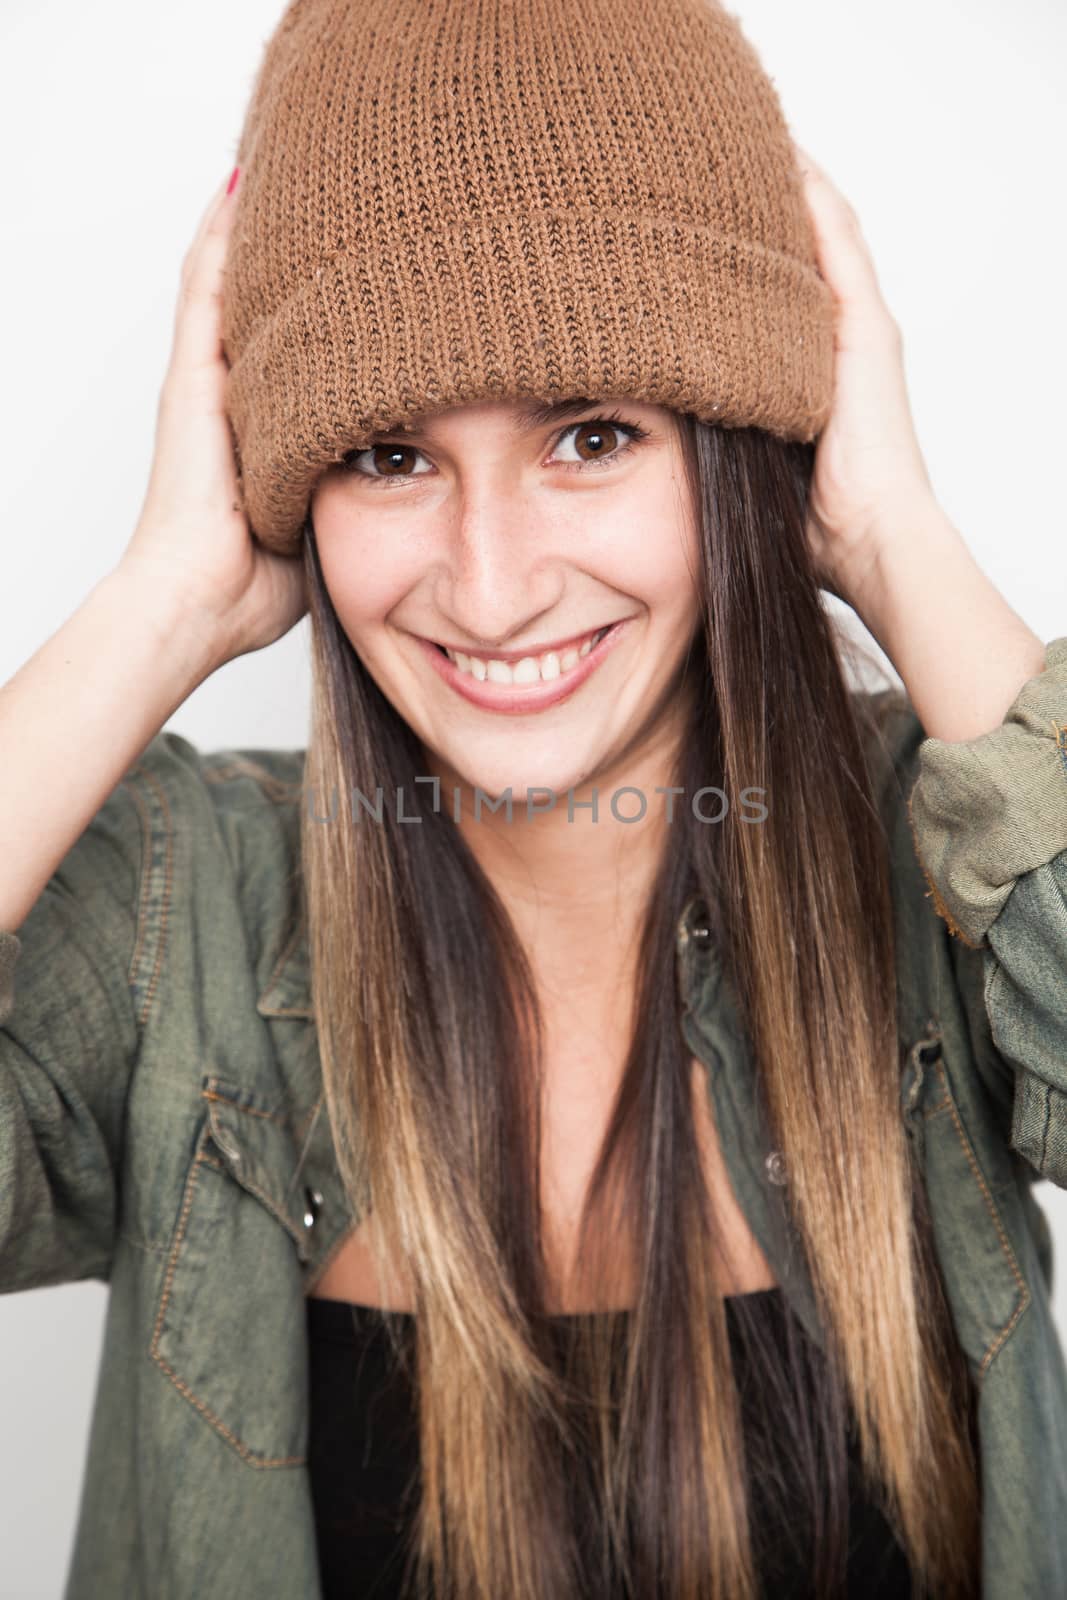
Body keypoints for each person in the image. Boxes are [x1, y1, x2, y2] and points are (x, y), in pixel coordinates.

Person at [2, 2, 1066, 1597]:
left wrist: (892, 530)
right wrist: (158, 600)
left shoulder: (937, 860)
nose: (491, 590)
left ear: (737, 456)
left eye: (591, 434)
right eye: (383, 456)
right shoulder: (185, 918)